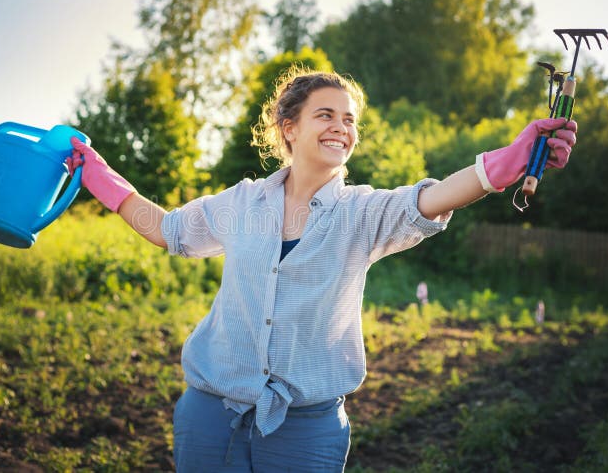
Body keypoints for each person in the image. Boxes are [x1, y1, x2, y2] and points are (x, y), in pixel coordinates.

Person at [67, 68, 577, 472]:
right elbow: (168, 230)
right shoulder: (242, 202)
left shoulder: (360, 213)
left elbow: (427, 200)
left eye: (350, 119)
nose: (341, 127)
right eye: (326, 115)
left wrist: (502, 166)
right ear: (289, 127)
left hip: (305, 429)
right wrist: (98, 175)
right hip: (210, 417)